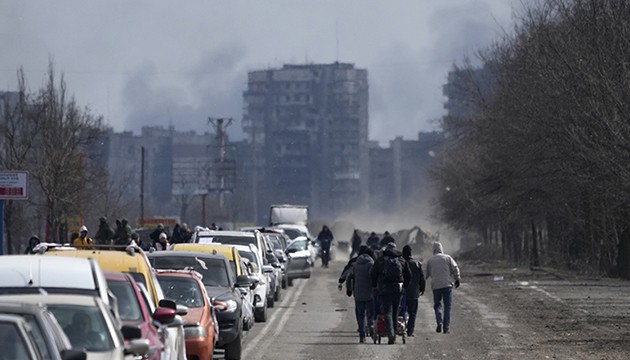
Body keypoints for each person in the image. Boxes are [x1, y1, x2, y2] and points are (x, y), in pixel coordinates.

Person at [370, 243, 410, 344]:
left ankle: (390, 333)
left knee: (387, 312)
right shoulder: (401, 260)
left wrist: (375, 285)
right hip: (398, 289)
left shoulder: (381, 260)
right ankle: (395, 332)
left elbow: (372, 273)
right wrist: (405, 286)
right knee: (395, 312)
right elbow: (409, 274)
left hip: (384, 289)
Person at [425, 241, 461, 334]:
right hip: (447, 285)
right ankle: (446, 328)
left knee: (437, 305)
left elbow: (426, 274)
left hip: (436, 285)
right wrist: (457, 279)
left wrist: (419, 283)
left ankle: (439, 321)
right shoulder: (448, 257)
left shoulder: (430, 260)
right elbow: (455, 268)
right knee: (447, 307)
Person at [345, 245, 375, 343]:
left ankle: (362, 336)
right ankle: (371, 325)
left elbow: (349, 277)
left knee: (360, 315)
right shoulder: (371, 264)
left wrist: (349, 289)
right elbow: (374, 278)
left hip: (358, 293)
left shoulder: (356, 264)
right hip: (369, 293)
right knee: (370, 313)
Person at [402, 245, 425, 337]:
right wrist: (422, 288)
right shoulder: (417, 264)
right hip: (414, 292)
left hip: (403, 292)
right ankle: (410, 330)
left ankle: (401, 328)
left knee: (401, 312)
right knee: (412, 313)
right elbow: (422, 278)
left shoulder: (401, 263)